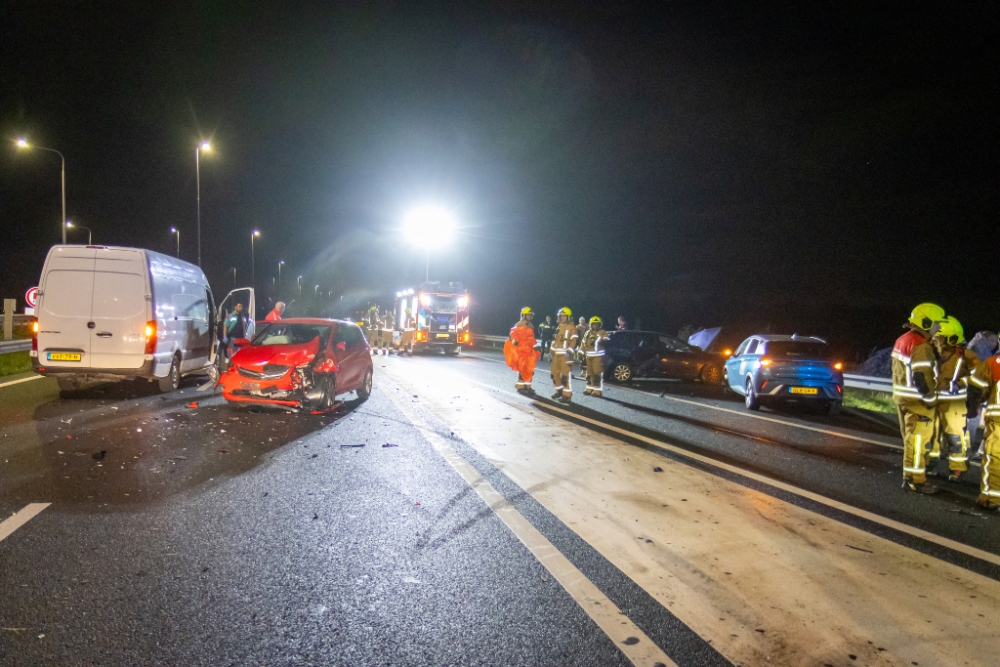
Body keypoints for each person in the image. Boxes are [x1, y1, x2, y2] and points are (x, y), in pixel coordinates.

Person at [892, 303, 945, 494]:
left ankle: (910, 478)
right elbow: (921, 376)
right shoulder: (921, 345)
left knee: (910, 441)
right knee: (918, 442)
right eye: (936, 323)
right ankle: (916, 480)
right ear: (926, 321)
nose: (938, 327)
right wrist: (930, 399)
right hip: (918, 402)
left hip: (902, 397)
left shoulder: (902, 340)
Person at [931, 316, 979, 481]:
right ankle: (931, 466)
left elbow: (977, 377)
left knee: (955, 436)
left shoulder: (967, 355)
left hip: (955, 403)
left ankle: (957, 469)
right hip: (934, 401)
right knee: (932, 436)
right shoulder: (932, 352)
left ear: (952, 337)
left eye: (940, 337)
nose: (937, 339)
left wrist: (960, 383)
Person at [966, 351, 1000, 511]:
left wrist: (976, 405)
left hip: (998, 420)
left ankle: (991, 499)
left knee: (994, 459)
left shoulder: (993, 363)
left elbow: (975, 387)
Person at [504, 307, 540, 395]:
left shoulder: (531, 326)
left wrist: (535, 346)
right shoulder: (519, 324)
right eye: (528, 314)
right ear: (524, 315)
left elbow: (531, 338)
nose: (530, 316)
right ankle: (520, 386)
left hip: (529, 350)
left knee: (530, 368)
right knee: (522, 368)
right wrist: (514, 341)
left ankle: (528, 386)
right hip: (521, 350)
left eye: (530, 315)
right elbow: (512, 334)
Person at [550, 307, 578, 403]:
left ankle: (567, 395)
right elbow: (556, 341)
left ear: (568, 317)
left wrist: (569, 351)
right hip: (557, 354)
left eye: (564, 316)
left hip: (566, 355)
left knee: (565, 376)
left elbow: (574, 341)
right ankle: (559, 391)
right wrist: (551, 351)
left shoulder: (572, 327)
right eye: (561, 316)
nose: (562, 318)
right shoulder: (559, 327)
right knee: (554, 374)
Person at [581, 317, 609, 397]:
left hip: (598, 356)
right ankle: (589, 389)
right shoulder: (587, 333)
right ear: (590, 325)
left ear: (599, 325)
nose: (595, 326)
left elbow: (606, 338)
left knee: (597, 374)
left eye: (596, 324)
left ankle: (597, 391)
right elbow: (583, 343)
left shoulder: (602, 332)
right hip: (588, 356)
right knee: (589, 374)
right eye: (593, 324)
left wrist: (602, 340)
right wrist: (580, 352)